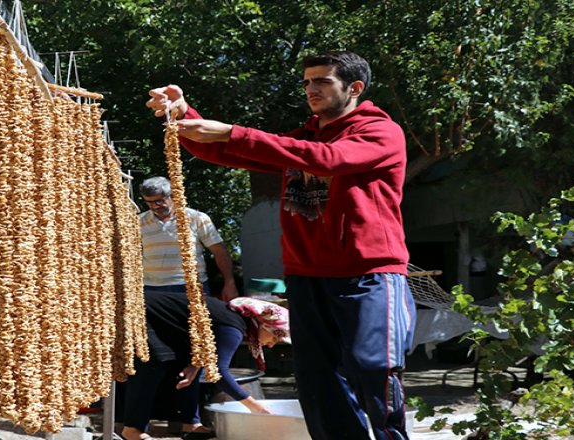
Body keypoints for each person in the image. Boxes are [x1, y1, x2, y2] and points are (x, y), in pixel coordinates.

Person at [145, 51, 416, 440]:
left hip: (369, 275)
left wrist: (233, 132)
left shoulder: (380, 132)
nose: (311, 89)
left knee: (373, 367)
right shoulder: (303, 139)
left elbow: (328, 159)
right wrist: (184, 114)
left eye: (322, 81)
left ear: (355, 88)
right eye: (307, 81)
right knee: (319, 381)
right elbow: (224, 150)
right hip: (306, 277)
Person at [121, 292, 290, 440]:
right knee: (152, 367)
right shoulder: (232, 327)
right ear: (265, 325)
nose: (271, 345)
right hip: (137, 313)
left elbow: (204, 350)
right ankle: (132, 430)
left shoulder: (234, 321)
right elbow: (217, 372)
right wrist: (256, 407)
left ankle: (190, 424)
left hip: (154, 318)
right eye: (275, 337)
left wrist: (194, 366)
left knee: (187, 370)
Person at [138, 176, 238, 301]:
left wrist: (229, 283)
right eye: (149, 202)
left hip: (191, 286)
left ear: (172, 196)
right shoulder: (138, 222)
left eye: (159, 201)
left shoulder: (197, 218)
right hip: (152, 288)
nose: (155, 206)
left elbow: (219, 251)